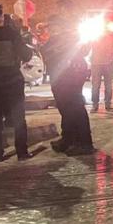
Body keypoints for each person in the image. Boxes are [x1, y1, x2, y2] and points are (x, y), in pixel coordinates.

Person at [0, 4, 32, 162]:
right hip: (12, 79)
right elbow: (26, 54)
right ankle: (22, 151)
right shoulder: (12, 33)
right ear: (1, 17)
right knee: (18, 116)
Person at [43, 17, 95, 156]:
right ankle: (68, 139)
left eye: (54, 26)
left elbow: (82, 49)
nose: (51, 29)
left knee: (75, 108)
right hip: (60, 77)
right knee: (65, 109)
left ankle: (84, 143)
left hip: (71, 76)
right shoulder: (57, 39)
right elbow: (47, 52)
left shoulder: (70, 38)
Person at [89, 25, 113, 113]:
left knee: (105, 85)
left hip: (105, 63)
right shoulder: (95, 37)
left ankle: (105, 104)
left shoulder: (109, 37)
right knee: (98, 85)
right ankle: (97, 104)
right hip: (98, 63)